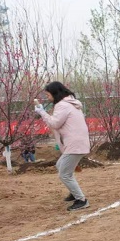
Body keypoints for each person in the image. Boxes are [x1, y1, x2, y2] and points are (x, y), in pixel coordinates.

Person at [34, 82, 91, 211]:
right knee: (61, 166)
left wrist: (42, 112)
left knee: (64, 174)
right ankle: (74, 190)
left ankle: (81, 200)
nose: (48, 98)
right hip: (78, 142)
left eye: (48, 95)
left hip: (75, 144)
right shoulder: (71, 103)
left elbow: (55, 123)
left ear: (55, 93)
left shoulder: (62, 105)